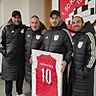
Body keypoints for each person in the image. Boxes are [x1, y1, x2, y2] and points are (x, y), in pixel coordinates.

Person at [41, 10, 73, 96]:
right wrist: (34, 56)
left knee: (61, 89)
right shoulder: (47, 33)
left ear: (59, 19)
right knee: (51, 89)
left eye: (56, 18)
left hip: (60, 67)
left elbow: (71, 49)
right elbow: (42, 48)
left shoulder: (64, 32)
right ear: (49, 20)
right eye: (52, 18)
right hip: (49, 68)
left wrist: (66, 61)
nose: (54, 20)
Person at [0, 10, 28, 96]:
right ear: (12, 18)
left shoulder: (24, 28)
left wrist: (42, 29)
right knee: (9, 81)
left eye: (18, 18)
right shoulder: (5, 27)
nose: (17, 19)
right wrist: (5, 53)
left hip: (20, 60)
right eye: (15, 18)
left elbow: (35, 27)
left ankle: (20, 93)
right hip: (9, 61)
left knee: (20, 79)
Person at [71, 16, 96, 96]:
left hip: (85, 77)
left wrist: (85, 71)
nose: (75, 24)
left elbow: (93, 55)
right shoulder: (74, 37)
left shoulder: (89, 35)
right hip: (75, 76)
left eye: (78, 22)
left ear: (83, 23)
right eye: (73, 23)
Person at [25, 15, 47, 87]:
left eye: (36, 23)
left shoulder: (44, 33)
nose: (34, 25)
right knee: (31, 81)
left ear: (39, 23)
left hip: (38, 61)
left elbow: (44, 46)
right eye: (32, 23)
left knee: (38, 81)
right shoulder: (27, 31)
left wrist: (35, 55)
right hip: (28, 61)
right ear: (30, 23)